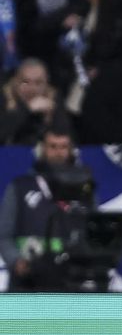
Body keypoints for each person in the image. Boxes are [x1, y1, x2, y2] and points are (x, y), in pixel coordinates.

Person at [0, 123, 87, 290]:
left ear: (71, 150)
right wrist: (16, 261)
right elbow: (3, 234)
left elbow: (91, 233)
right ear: (42, 149)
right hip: (27, 282)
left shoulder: (84, 190)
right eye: (52, 146)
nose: (59, 153)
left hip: (70, 281)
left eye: (64, 147)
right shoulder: (20, 187)